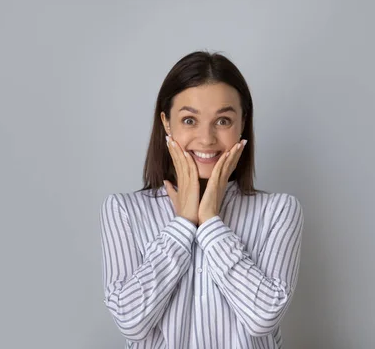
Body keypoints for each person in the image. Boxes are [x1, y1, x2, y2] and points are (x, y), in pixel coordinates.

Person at [99, 50, 304, 348]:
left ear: (242, 123)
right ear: (166, 122)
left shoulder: (279, 211)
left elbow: (263, 317)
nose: (206, 139)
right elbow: (130, 321)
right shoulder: (124, 210)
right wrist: (183, 223)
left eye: (222, 121)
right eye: (189, 120)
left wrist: (209, 221)